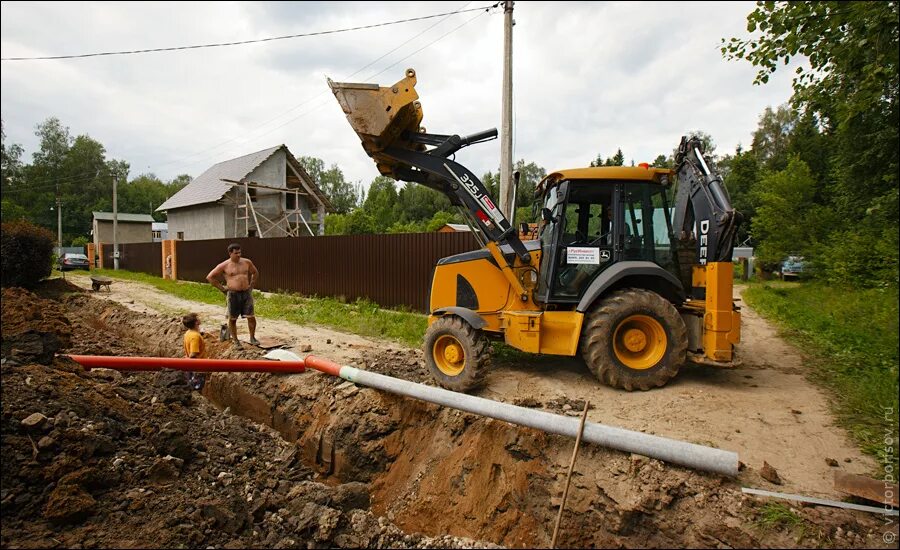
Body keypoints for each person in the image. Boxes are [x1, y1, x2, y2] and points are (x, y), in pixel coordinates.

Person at [206, 243, 260, 349]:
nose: (239, 255)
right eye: (236, 253)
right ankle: (236, 341)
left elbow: (255, 273)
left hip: (246, 293)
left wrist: (251, 286)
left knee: (251, 317)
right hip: (233, 295)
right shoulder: (224, 265)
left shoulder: (247, 262)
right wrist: (222, 289)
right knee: (232, 319)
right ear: (230, 253)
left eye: (240, 252)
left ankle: (252, 337)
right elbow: (210, 277)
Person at [182, 312, 206, 390]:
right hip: (197, 369)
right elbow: (193, 354)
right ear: (196, 322)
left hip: (190, 367)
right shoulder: (195, 336)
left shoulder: (188, 333)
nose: (200, 318)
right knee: (196, 389)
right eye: (198, 318)